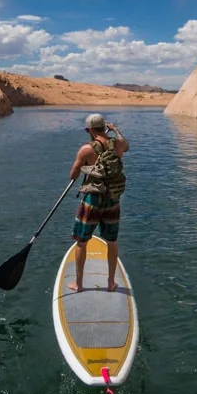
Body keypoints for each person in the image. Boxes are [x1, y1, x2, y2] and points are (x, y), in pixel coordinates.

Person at [67, 112, 129, 292]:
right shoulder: (119, 144)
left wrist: (83, 169)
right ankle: (111, 282)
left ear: (89, 130)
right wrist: (116, 130)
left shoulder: (86, 149)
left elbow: (73, 174)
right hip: (112, 201)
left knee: (81, 242)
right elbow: (125, 143)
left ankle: (78, 284)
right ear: (105, 127)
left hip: (92, 202)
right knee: (111, 241)